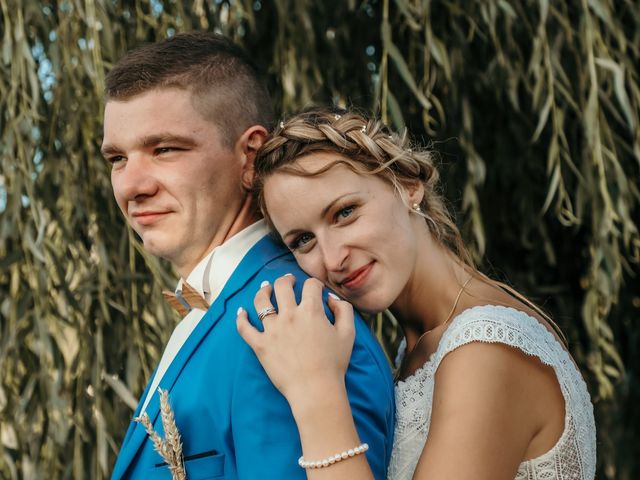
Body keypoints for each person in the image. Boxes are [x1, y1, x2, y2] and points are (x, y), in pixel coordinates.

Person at [236, 107, 597, 479]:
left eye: (344, 213)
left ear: (408, 184)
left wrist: (314, 388)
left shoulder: (486, 349)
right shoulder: (418, 350)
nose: (333, 258)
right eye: (303, 240)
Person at [102, 35, 394, 479]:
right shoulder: (225, 309)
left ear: (250, 156)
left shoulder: (290, 318)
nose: (131, 187)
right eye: (118, 158)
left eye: (164, 149)